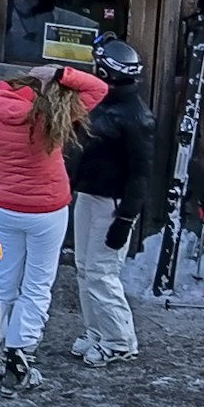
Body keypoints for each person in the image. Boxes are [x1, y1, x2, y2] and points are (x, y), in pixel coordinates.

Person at [0, 61, 104, 385]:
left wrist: (4, 152)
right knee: (37, 285)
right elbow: (98, 89)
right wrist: (60, 73)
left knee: (4, 280)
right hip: (48, 208)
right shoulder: (48, 112)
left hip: (7, 206)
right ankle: (20, 355)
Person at [63, 39, 149, 363]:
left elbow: (141, 173)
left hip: (112, 204)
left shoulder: (136, 116)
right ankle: (96, 331)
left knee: (102, 272)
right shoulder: (100, 103)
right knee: (84, 269)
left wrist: (126, 219)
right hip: (89, 194)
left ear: (105, 71)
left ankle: (119, 340)